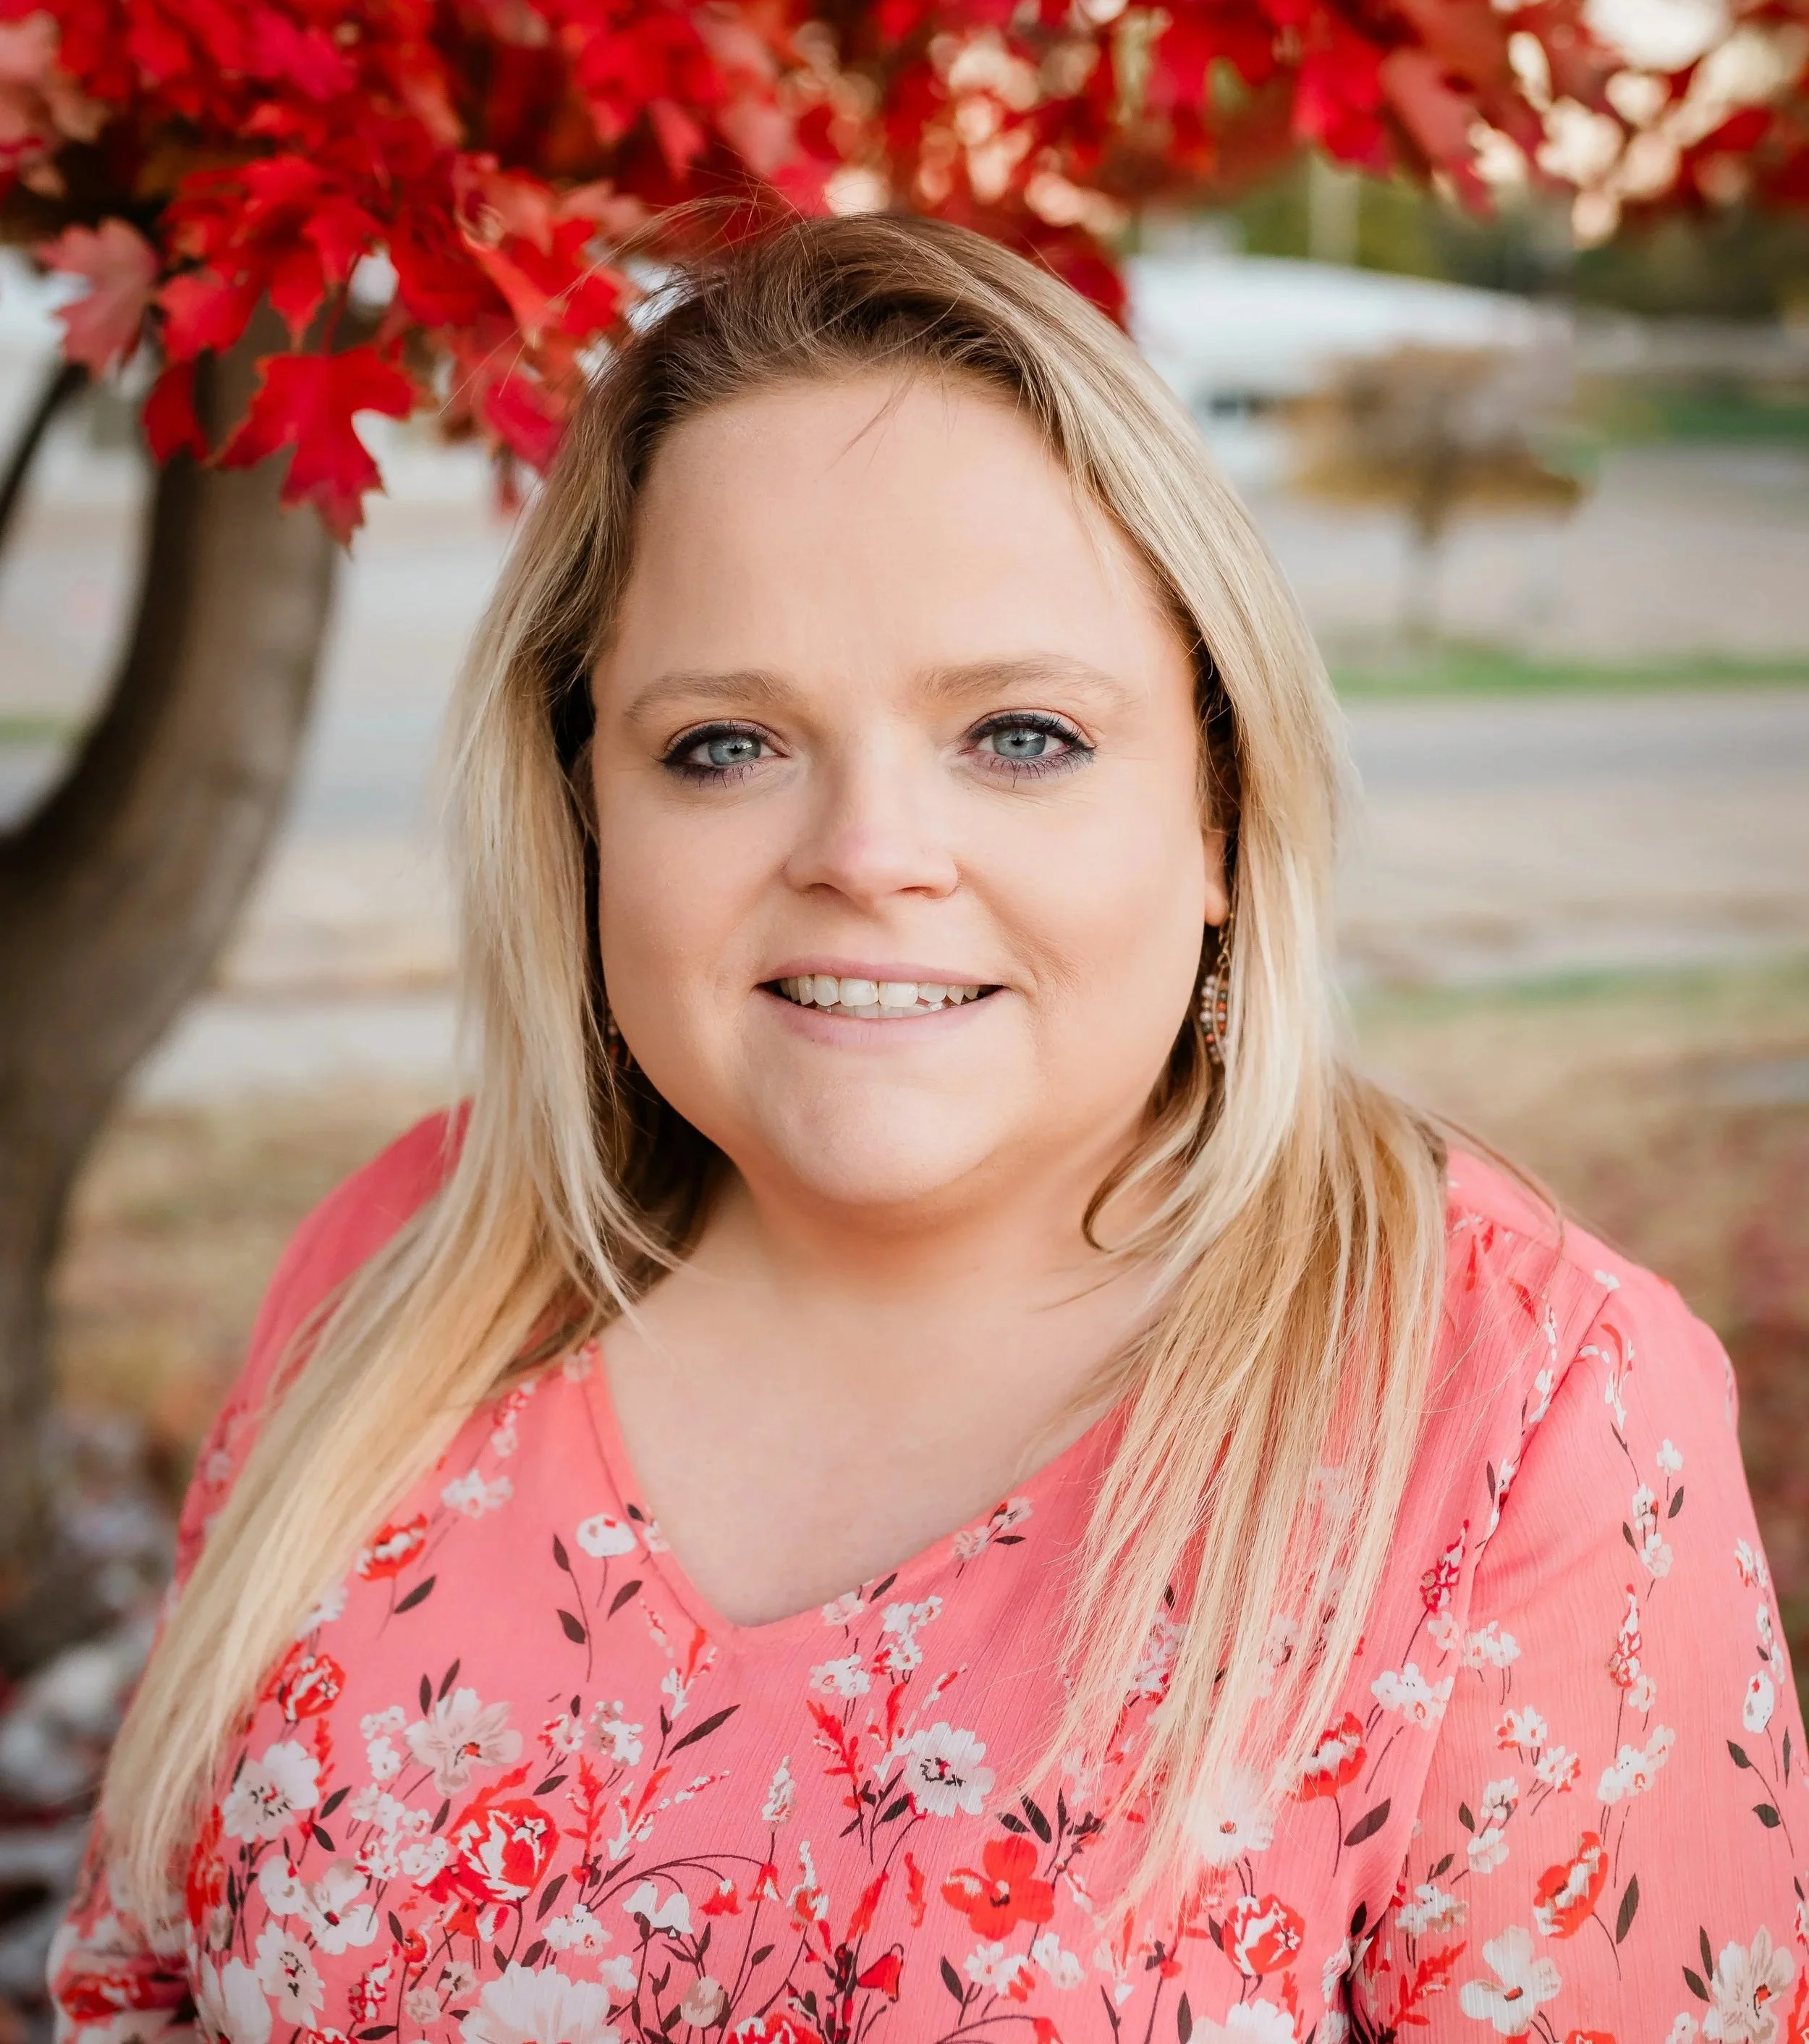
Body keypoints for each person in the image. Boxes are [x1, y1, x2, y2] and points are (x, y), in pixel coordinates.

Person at [51, 213, 1807, 2044]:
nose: (867, 852)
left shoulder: (1515, 1405)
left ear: (1215, 809)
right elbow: (133, 1984)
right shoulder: (410, 1260)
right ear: (583, 809)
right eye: (724, 742)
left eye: (1021, 734)